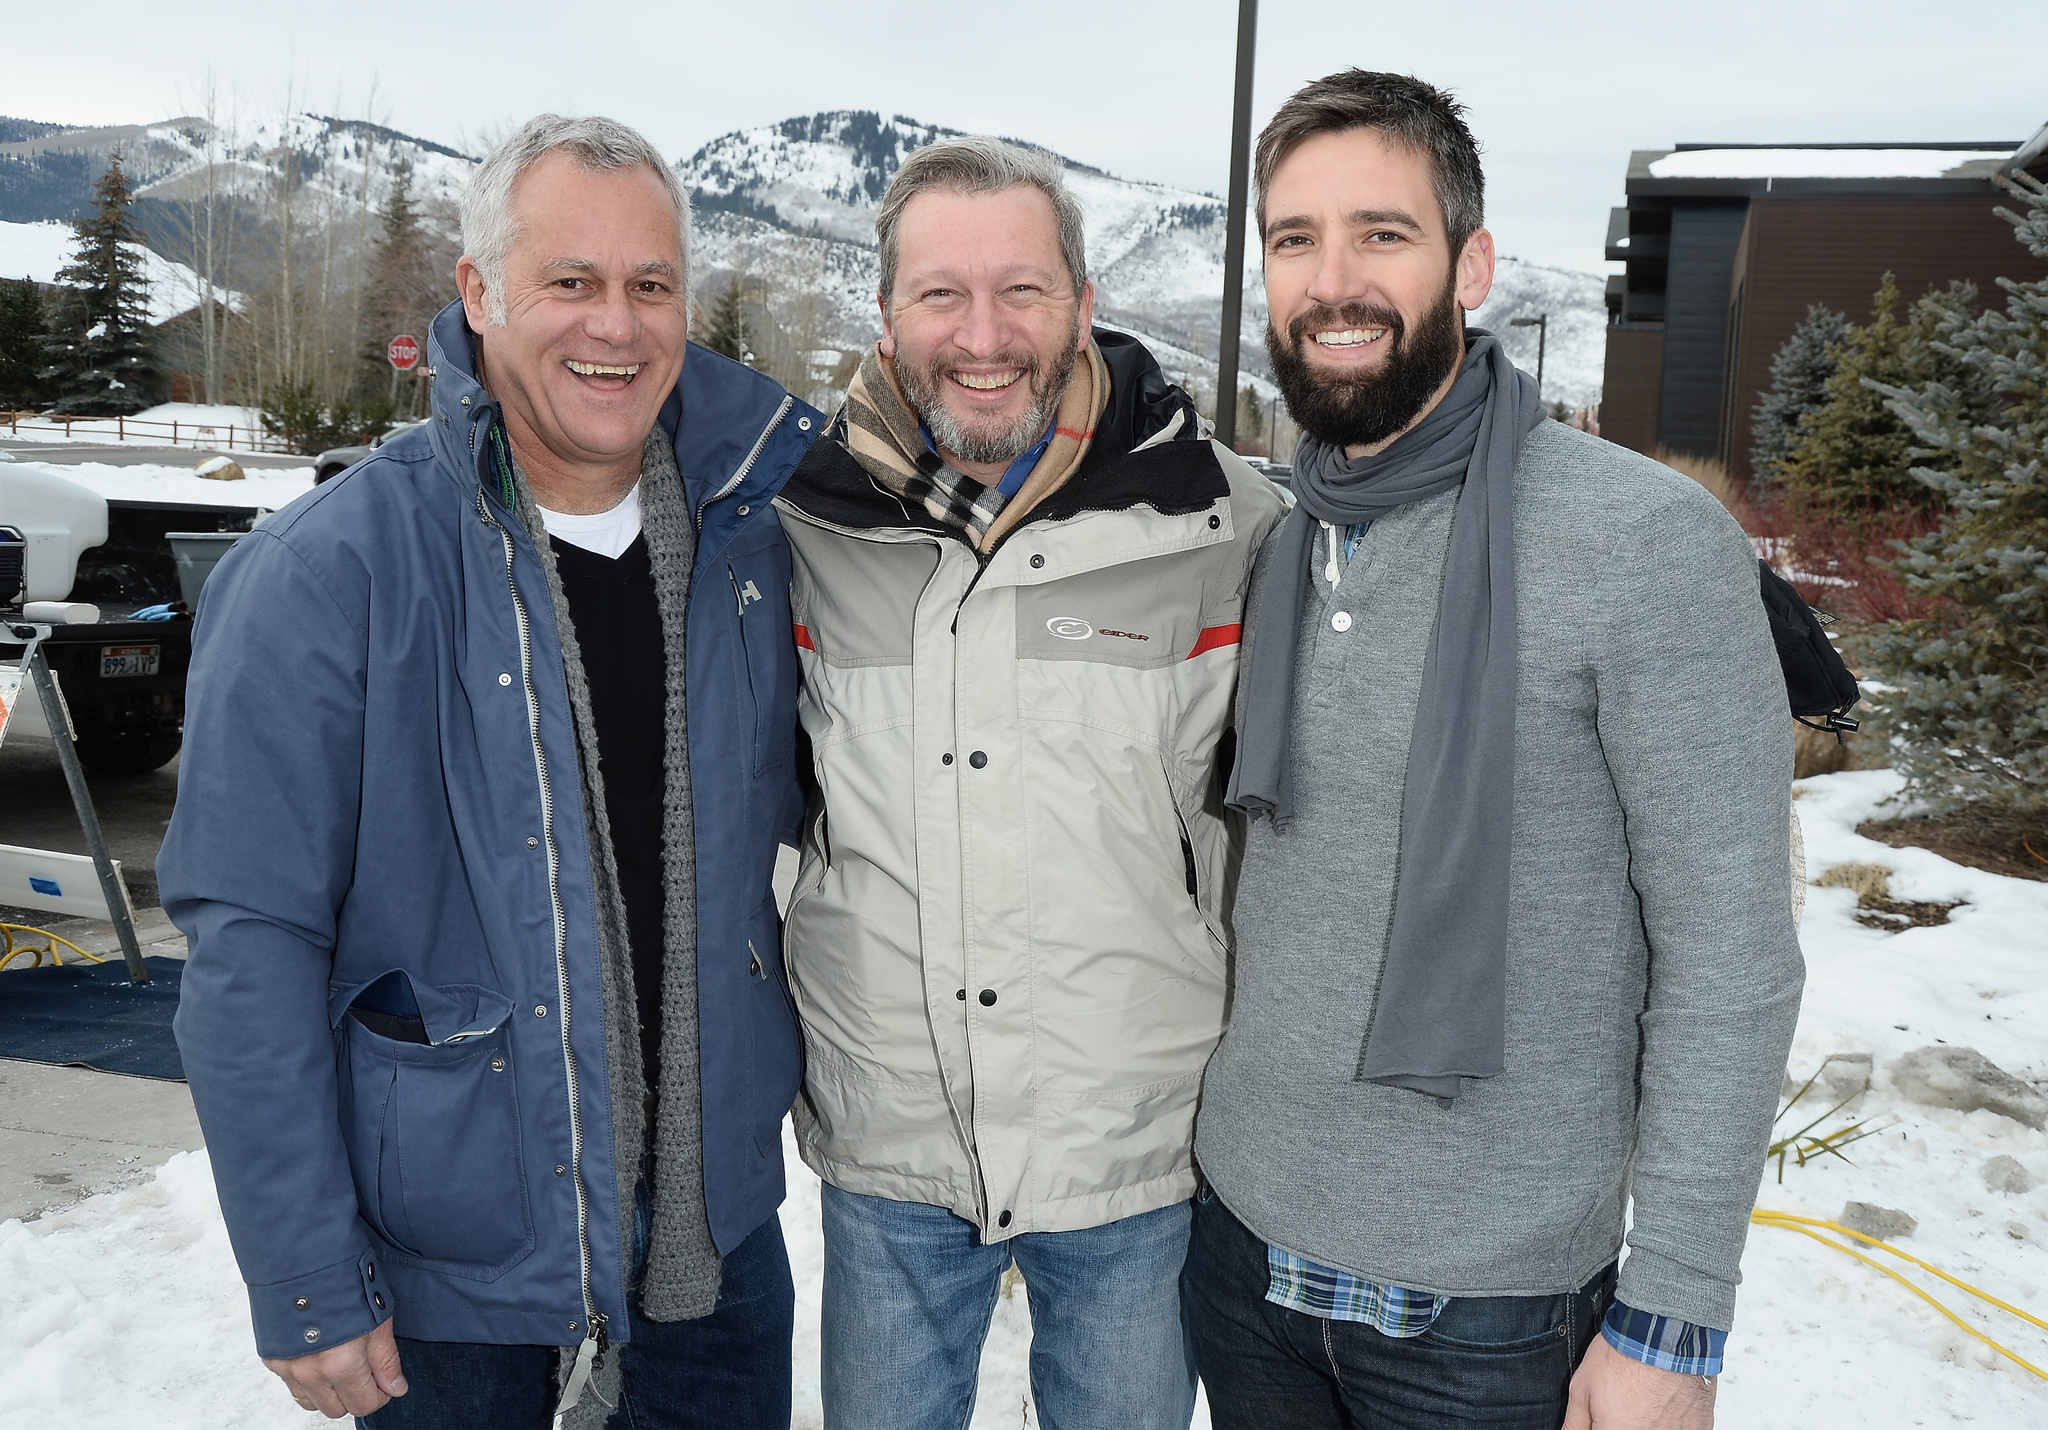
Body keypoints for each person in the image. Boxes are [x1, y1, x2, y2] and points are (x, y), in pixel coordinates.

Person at [159, 114, 822, 1429]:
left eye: (650, 285)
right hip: (454, 1281)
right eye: (570, 281)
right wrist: (303, 1271)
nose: (615, 325)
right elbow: (251, 946)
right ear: (478, 291)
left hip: (714, 1255)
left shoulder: (754, 549)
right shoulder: (328, 574)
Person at [1182, 71, 1804, 1430]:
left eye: (1380, 234)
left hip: (1491, 1323)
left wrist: (1675, 1319)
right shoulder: (1286, 535)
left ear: (1470, 265)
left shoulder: (1637, 542)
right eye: (1295, 240)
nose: (1331, 279)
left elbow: (1732, 957)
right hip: (1240, 1259)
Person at [772, 136, 1286, 1430]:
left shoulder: (1224, 526)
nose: (982, 332)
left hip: (1134, 1147)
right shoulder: (801, 525)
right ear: (887, 317)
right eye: (941, 293)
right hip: (895, 1142)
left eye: (1022, 291)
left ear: (1083, 306)